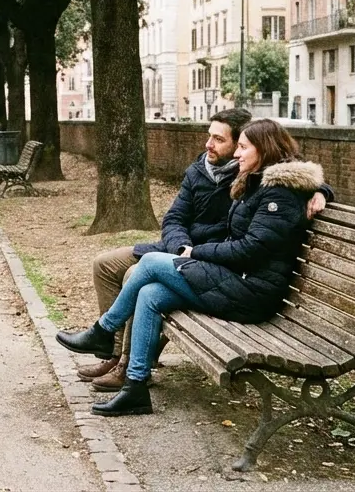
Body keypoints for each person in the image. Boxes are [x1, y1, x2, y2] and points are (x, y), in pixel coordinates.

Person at [55, 118, 328, 417]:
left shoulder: (278, 192)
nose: (237, 154)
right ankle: (135, 387)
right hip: (235, 279)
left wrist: (195, 252)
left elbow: (252, 249)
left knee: (149, 263)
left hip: (252, 292)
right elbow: (177, 219)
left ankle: (103, 330)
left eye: (242, 147)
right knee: (150, 293)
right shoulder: (255, 180)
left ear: (265, 149)